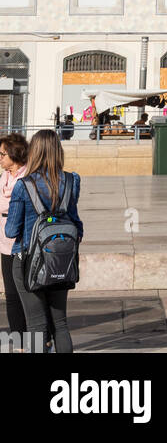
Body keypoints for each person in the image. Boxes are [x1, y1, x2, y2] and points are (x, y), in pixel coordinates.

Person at [5, 129, 83, 354]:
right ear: (58, 151)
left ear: (34, 152)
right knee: (61, 324)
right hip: (61, 261)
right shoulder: (71, 181)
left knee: (36, 324)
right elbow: (77, 225)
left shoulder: (23, 185)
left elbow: (11, 231)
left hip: (29, 261)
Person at [0, 132, 29, 344]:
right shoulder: (4, 178)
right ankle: (19, 345)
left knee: (28, 295)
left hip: (24, 243)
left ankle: (39, 341)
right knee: (11, 295)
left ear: (14, 154)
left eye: (2, 154)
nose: (0, 158)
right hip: (5, 243)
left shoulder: (27, 178)